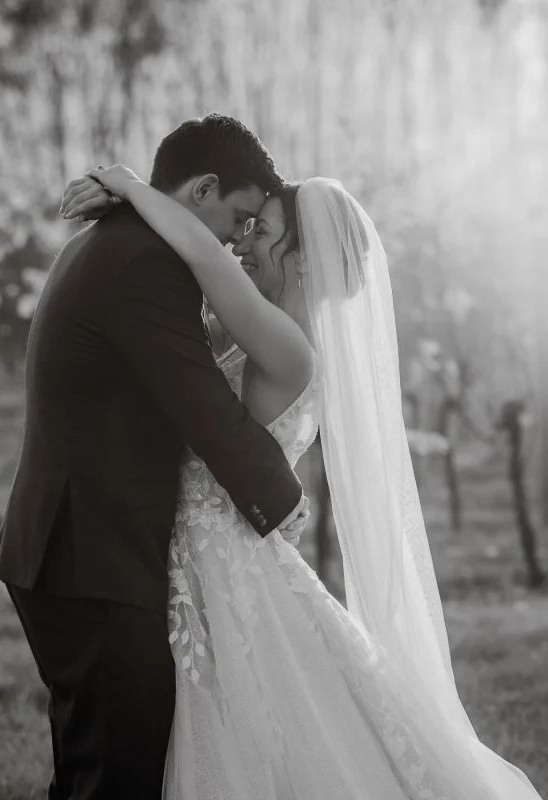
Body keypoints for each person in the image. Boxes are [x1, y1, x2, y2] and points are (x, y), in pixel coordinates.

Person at [61, 165, 545, 799]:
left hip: (219, 563)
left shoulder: (290, 346)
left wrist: (128, 182)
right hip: (206, 555)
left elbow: (204, 253)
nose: (244, 241)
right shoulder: (252, 329)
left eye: (262, 231)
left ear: (305, 259)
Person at [0, 114, 310, 800]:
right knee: (115, 776)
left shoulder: (122, 242)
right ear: (203, 189)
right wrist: (285, 503)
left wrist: (137, 191)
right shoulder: (143, 263)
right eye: (241, 216)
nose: (237, 240)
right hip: (89, 558)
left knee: (101, 768)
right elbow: (209, 413)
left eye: (258, 230)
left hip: (82, 550)